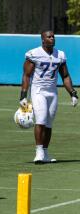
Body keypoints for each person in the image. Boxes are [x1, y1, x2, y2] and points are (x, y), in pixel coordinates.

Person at [19, 30, 78, 164]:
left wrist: (73, 93)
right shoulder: (34, 54)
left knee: (49, 124)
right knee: (41, 119)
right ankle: (38, 152)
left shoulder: (60, 55)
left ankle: (45, 152)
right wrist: (23, 95)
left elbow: (65, 76)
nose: (52, 38)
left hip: (52, 92)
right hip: (38, 90)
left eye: (53, 36)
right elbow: (26, 75)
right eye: (49, 37)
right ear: (43, 40)